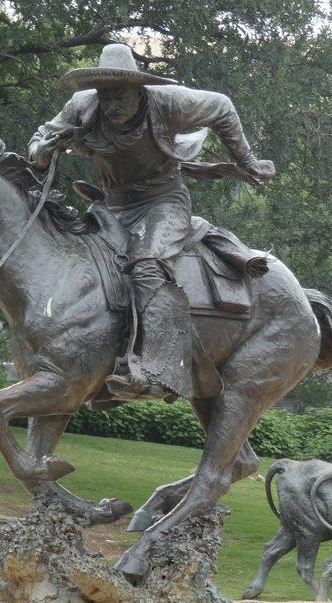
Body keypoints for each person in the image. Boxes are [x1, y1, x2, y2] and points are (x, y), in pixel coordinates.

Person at [28, 43, 275, 400]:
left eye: (121, 97)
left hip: (163, 202)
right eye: (105, 96)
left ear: (138, 91)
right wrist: (42, 152)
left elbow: (222, 107)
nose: (111, 106)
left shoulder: (169, 102)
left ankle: (156, 367)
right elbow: (39, 140)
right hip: (111, 205)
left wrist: (247, 161)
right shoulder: (82, 106)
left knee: (146, 265)